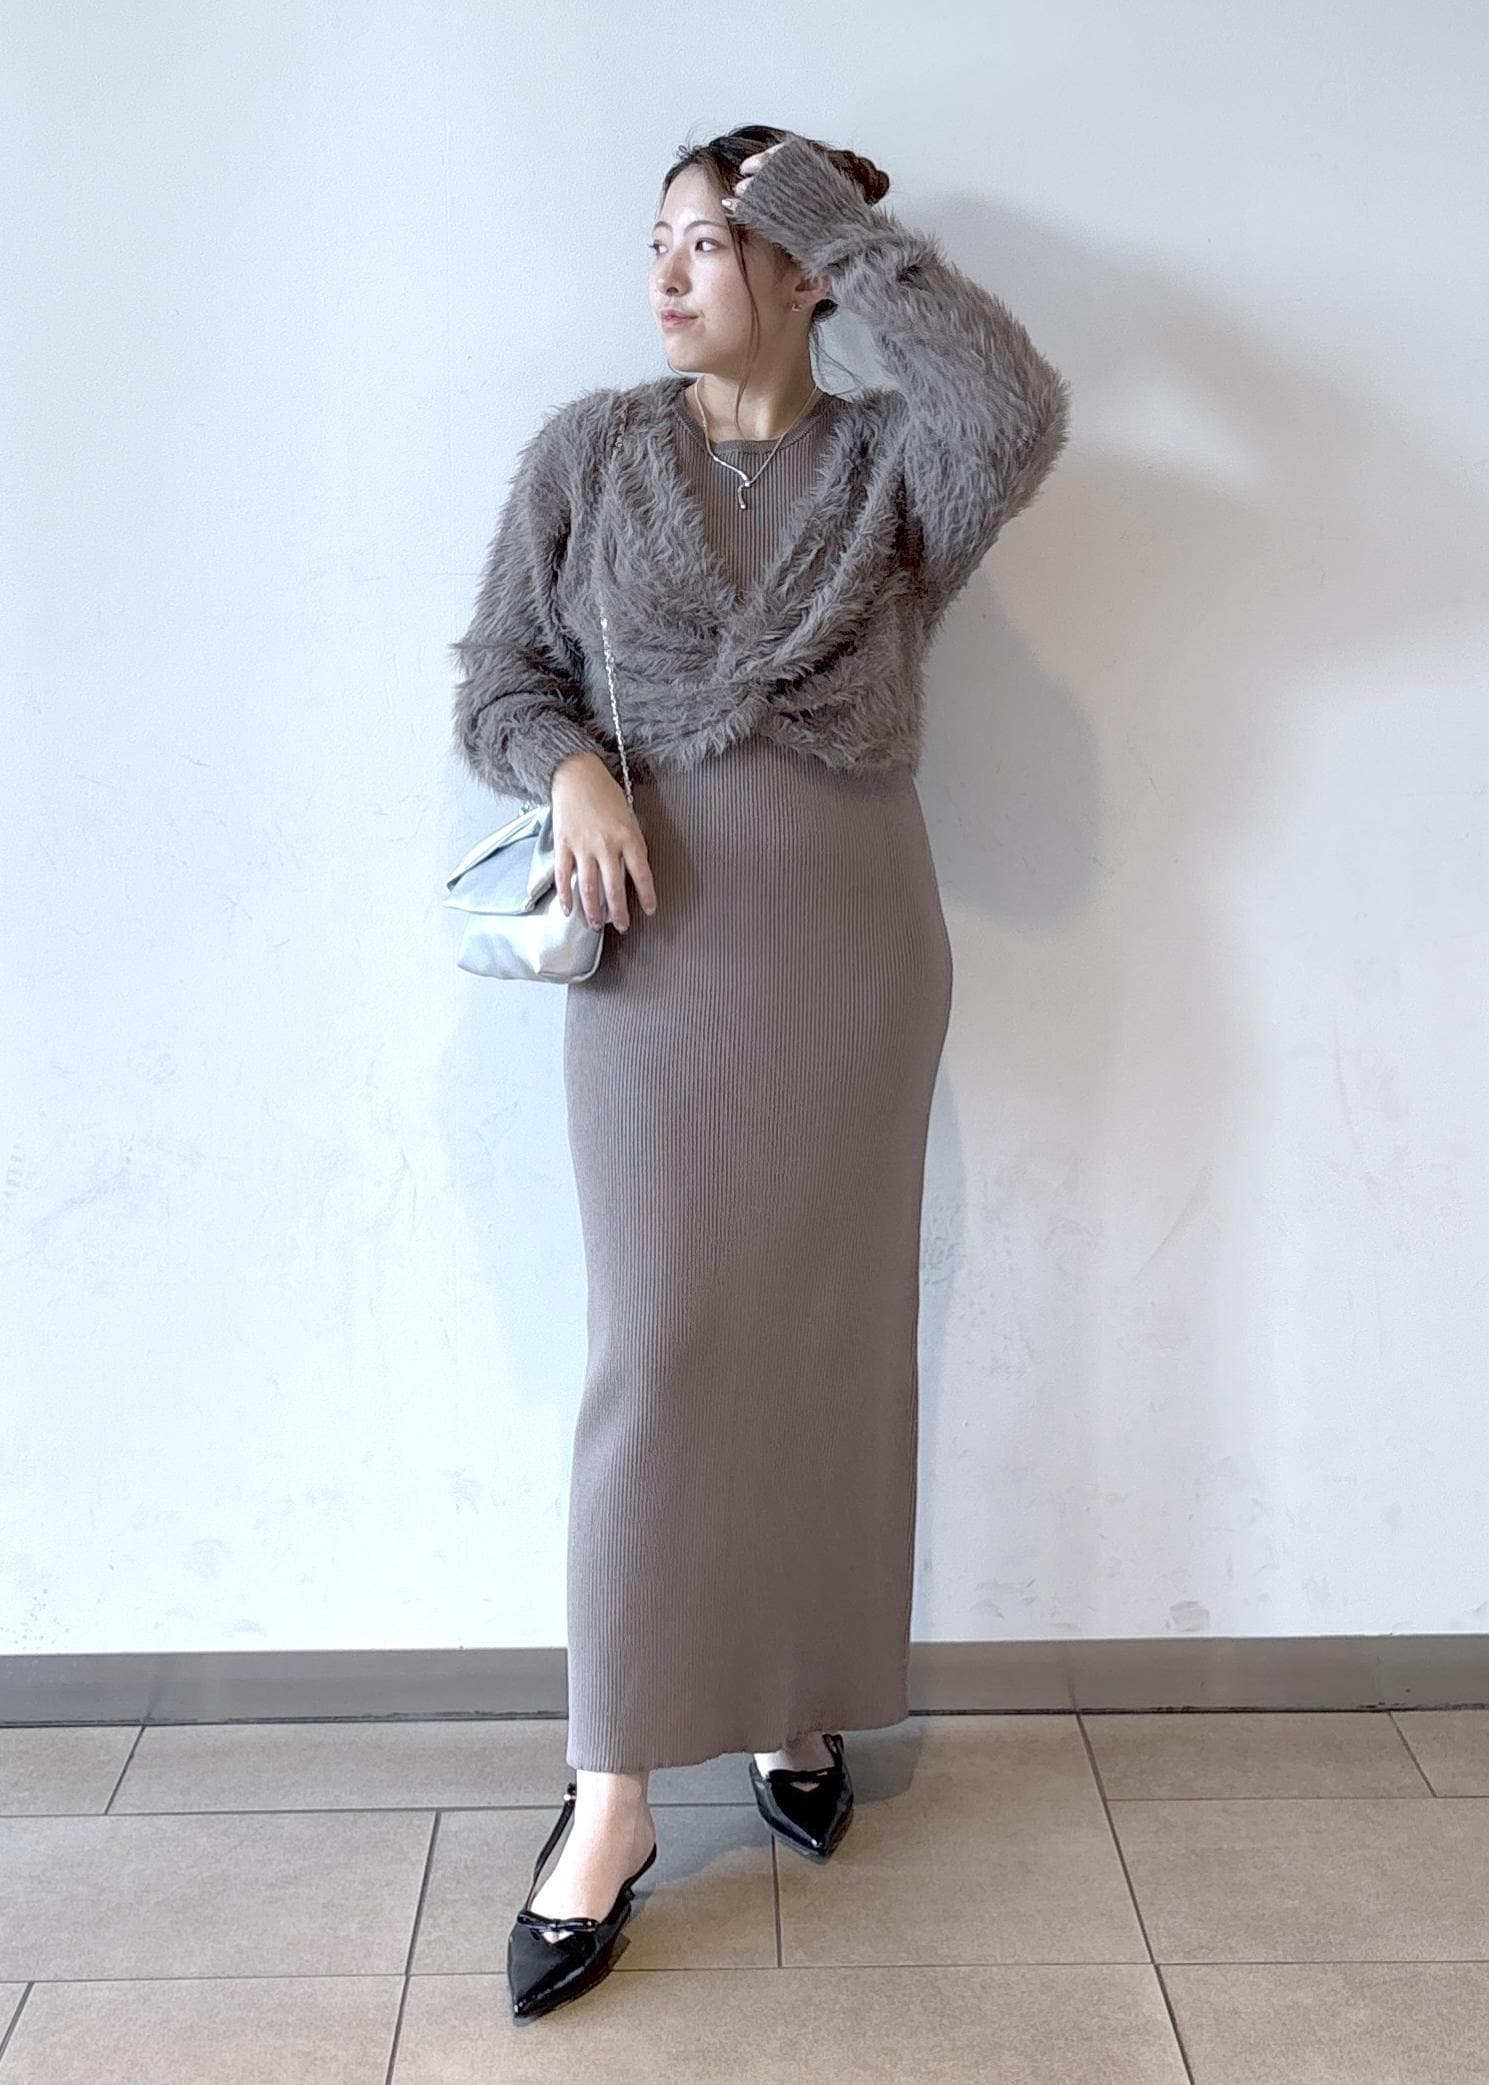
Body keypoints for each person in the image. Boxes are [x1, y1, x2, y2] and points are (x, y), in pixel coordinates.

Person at [450, 123, 1071, 2022]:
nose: (665, 273)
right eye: (655, 240)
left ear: (798, 268)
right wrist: (571, 767)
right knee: (661, 1350)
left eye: (708, 242)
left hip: (855, 965)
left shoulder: (896, 466)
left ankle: (799, 1701)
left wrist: (827, 218)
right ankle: (614, 1792)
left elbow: (1017, 409)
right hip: (659, 963)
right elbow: (498, 677)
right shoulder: (589, 452)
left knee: (826, 1338)